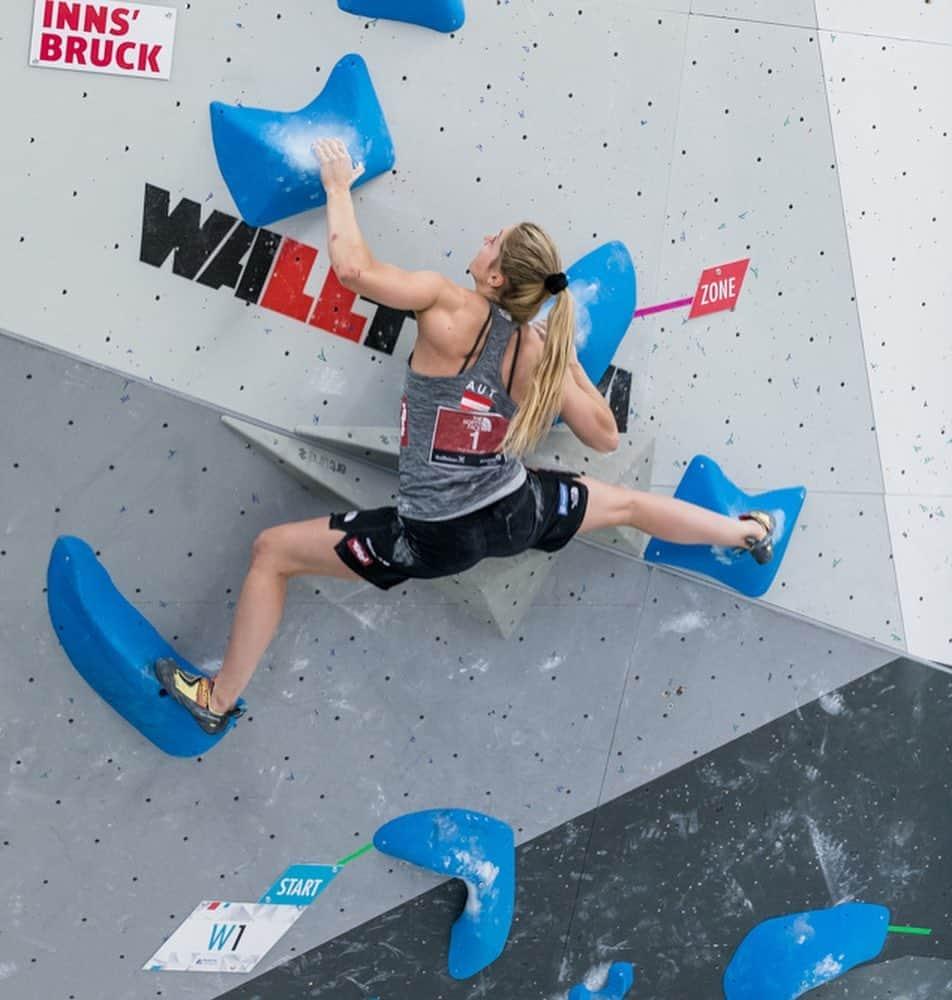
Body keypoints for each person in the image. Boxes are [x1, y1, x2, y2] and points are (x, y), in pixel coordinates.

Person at [156, 137, 774, 735]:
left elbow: (351, 270)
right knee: (629, 505)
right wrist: (567, 363)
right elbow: (605, 436)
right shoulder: (536, 351)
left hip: (432, 537)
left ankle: (218, 700)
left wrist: (338, 186)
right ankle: (747, 532)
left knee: (272, 552)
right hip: (515, 514)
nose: (481, 242)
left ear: (499, 278)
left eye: (492, 243)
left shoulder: (445, 303)